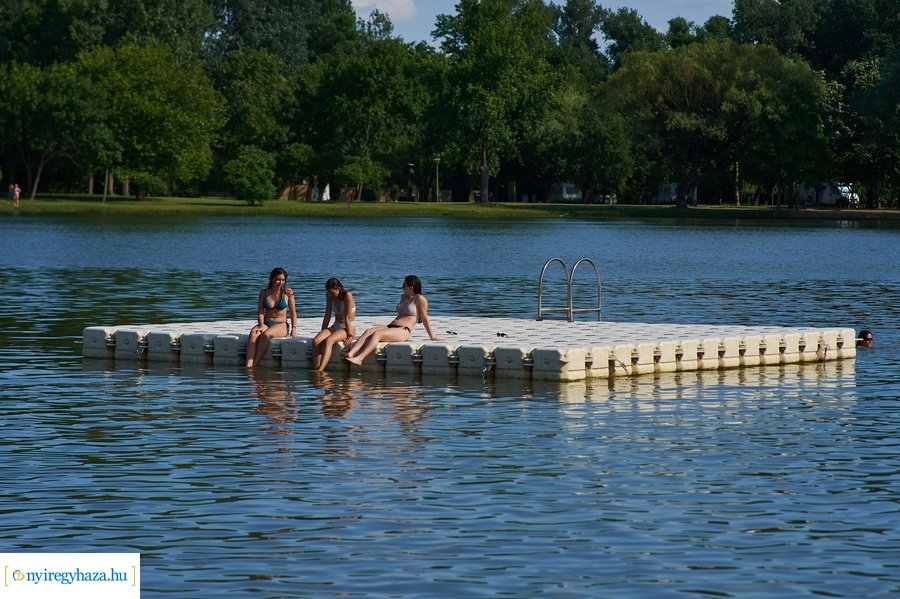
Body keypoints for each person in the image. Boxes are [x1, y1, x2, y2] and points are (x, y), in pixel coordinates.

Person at [344, 275, 442, 366]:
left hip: (403, 330)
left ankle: (360, 358)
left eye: (404, 285)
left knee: (377, 334)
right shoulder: (403, 297)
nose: (402, 287)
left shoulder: (420, 299)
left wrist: (432, 336)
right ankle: (350, 354)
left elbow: (425, 318)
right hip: (391, 326)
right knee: (368, 331)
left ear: (411, 287)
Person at [246, 267, 298, 367]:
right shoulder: (264, 293)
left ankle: (254, 365)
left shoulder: (288, 294)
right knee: (253, 334)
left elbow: (293, 313)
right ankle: (248, 365)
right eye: (278, 279)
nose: (281, 282)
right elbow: (260, 312)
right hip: (266, 323)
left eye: (283, 280)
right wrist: (261, 325)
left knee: (266, 335)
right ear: (272, 279)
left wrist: (294, 329)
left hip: (281, 325)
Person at [311, 277, 356, 371]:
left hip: (347, 327)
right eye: (329, 293)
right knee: (316, 340)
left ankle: (320, 370)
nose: (331, 295)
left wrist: (350, 336)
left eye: (332, 293)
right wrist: (323, 330)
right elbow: (327, 315)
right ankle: (316, 367)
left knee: (329, 341)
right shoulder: (329, 296)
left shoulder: (347, 295)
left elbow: (347, 318)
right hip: (336, 325)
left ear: (338, 289)